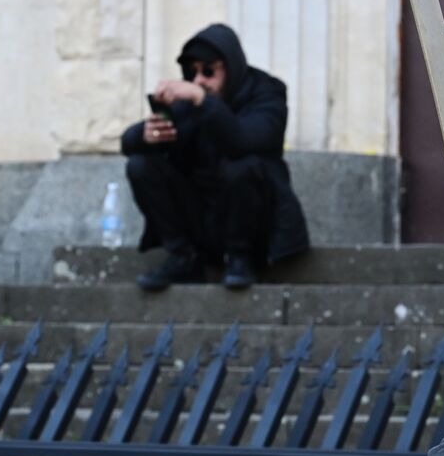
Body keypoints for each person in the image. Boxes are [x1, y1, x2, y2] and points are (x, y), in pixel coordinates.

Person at [121, 24, 309, 291]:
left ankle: (240, 258)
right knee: (140, 165)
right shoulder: (194, 101)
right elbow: (128, 142)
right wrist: (147, 134)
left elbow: (244, 140)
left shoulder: (267, 92)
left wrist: (202, 99)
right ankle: (183, 257)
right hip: (201, 216)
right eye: (193, 72)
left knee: (243, 166)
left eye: (208, 71)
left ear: (229, 68)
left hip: (252, 222)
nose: (199, 81)